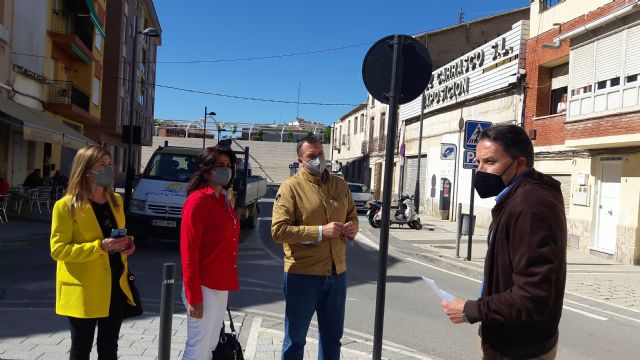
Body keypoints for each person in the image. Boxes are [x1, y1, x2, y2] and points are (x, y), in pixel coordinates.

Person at [441, 124, 567, 359]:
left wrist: (471, 310)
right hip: (511, 339)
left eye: (490, 162)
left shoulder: (529, 206)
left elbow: (532, 295)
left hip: (519, 348)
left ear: (519, 163)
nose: (481, 170)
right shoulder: (518, 196)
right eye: (478, 162)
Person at [271, 136, 359, 360]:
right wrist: (321, 232)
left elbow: (353, 216)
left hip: (336, 273)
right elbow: (279, 231)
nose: (318, 159)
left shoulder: (340, 185)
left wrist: (352, 228)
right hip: (302, 275)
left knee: (332, 339)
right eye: (311, 156)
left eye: (320, 154)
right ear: (300, 159)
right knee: (295, 340)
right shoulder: (290, 188)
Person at [50, 145, 136, 360]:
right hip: (84, 289)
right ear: (86, 169)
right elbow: (58, 250)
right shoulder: (66, 206)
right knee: (81, 349)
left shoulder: (115, 201)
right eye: (102, 164)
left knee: (109, 348)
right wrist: (99, 247)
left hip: (115, 284)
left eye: (110, 164)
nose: (109, 168)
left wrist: (128, 244)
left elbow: (116, 234)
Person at [180, 145, 240, 359]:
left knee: (211, 344)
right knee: (198, 347)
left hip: (219, 284)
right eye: (219, 165)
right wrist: (194, 296)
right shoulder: (197, 202)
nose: (226, 169)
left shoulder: (222, 199)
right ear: (206, 170)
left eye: (228, 165)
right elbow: (188, 252)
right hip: (203, 286)